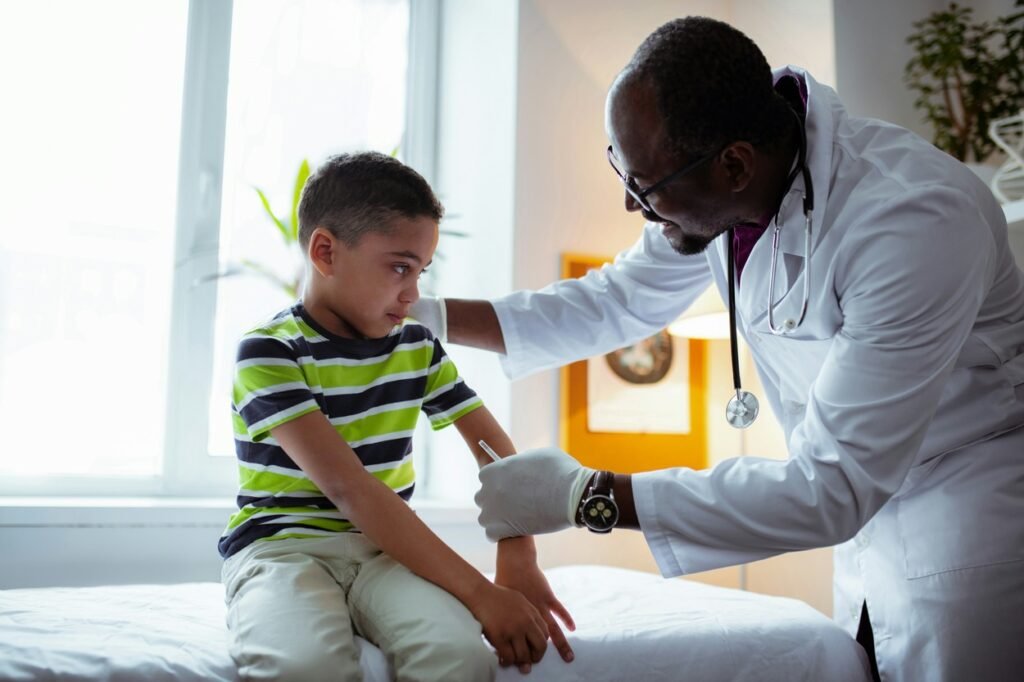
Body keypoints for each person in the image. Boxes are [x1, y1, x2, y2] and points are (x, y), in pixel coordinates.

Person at [410, 16, 1024, 682]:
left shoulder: (914, 221)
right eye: (621, 168)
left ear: (734, 164)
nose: (629, 203)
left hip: (961, 524)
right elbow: (614, 301)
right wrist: (423, 316)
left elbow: (833, 483)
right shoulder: (732, 196)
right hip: (867, 540)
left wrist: (585, 496)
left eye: (643, 186)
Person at [218, 152, 575, 681]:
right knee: (305, 667)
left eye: (422, 271)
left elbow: (496, 453)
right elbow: (350, 490)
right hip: (283, 549)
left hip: (383, 556)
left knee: (460, 655)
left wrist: (518, 554)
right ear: (325, 251)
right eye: (400, 267)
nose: (413, 294)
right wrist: (480, 592)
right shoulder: (269, 352)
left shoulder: (416, 347)